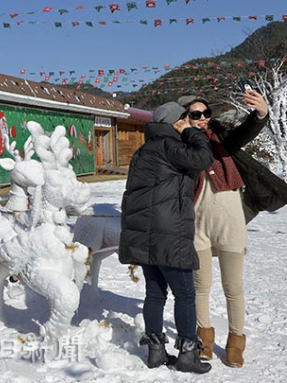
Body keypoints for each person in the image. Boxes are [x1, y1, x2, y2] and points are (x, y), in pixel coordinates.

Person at [178, 92, 287, 368]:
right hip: (197, 225)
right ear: (184, 117)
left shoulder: (223, 143)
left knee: (233, 287)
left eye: (205, 113)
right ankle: (204, 340)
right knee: (201, 288)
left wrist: (260, 114)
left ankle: (235, 343)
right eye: (194, 114)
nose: (201, 119)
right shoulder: (180, 146)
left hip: (230, 224)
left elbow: (246, 132)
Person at [119, 102, 213, 374]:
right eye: (184, 118)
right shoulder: (170, 145)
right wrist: (190, 133)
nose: (189, 121)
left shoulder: (144, 149)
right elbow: (204, 159)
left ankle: (156, 352)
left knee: (155, 292)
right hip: (169, 232)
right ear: (175, 121)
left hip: (145, 234)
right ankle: (186, 355)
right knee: (185, 293)